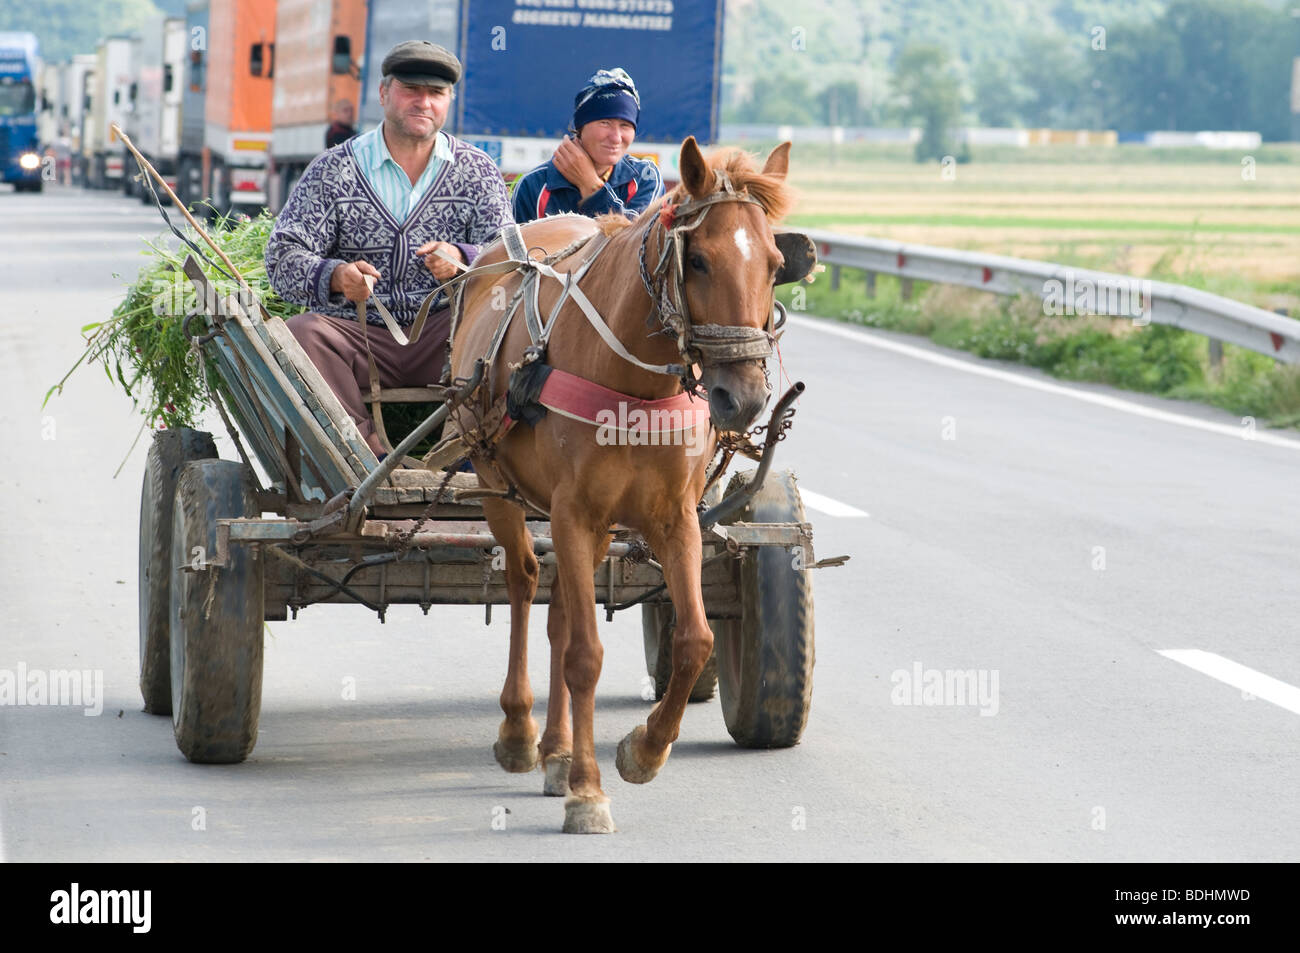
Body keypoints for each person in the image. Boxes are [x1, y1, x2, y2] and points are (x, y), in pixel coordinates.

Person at [265, 40, 512, 458]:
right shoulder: (334, 169)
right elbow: (282, 256)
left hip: (447, 334)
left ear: (449, 100)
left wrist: (463, 259)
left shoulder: (477, 171)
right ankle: (365, 454)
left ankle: (465, 449)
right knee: (302, 335)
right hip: (358, 336)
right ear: (384, 94)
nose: (423, 102)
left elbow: (509, 254)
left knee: (511, 331)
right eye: (410, 90)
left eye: (436, 93)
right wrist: (337, 277)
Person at [512, 68, 663, 224]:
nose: (616, 138)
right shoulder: (533, 186)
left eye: (625, 125)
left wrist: (591, 186)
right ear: (580, 127)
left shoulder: (645, 177)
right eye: (605, 123)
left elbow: (634, 242)